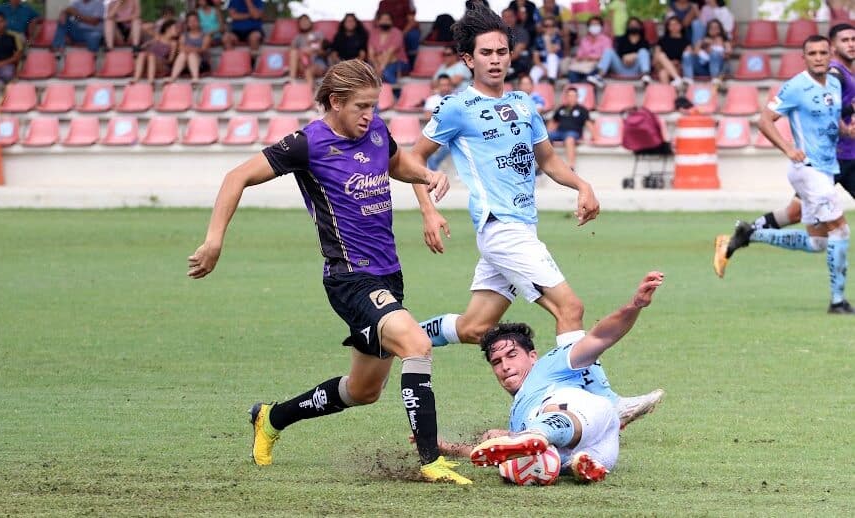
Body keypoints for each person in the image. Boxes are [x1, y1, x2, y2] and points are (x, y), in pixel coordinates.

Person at [186, 59, 471, 485]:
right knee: (416, 344)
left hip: (389, 275)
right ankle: (429, 460)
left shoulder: (374, 131)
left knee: (363, 391)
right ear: (335, 102)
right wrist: (214, 240)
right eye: (360, 106)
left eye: (373, 106)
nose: (369, 116)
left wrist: (428, 176)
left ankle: (271, 417)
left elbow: (397, 164)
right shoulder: (307, 144)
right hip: (349, 279)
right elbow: (236, 176)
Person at [409, 6, 663, 428]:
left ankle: (399, 335)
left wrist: (581, 185)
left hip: (518, 230)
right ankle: (604, 400)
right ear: (468, 59)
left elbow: (547, 159)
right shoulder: (456, 107)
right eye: (486, 52)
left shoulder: (525, 104)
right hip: (501, 229)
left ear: (511, 55)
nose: (495, 59)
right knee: (570, 307)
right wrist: (428, 210)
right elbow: (412, 158)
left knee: (475, 327)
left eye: (502, 51)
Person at [467, 272, 665, 481]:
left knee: (551, 408)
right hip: (601, 451)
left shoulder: (549, 365)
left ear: (533, 356)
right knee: (525, 455)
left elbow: (601, 337)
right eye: (496, 362)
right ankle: (574, 466)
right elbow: (483, 453)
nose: (505, 366)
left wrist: (635, 305)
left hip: (590, 416)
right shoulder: (517, 414)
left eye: (512, 355)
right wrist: (442, 446)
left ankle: (543, 433)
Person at [713, 35, 855, 315]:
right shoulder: (796, 86)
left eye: (822, 52)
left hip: (827, 169)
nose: (818, 57)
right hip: (808, 170)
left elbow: (832, 118)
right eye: (812, 53)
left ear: (829, 56)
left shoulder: (836, 83)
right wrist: (788, 148)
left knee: (819, 242)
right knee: (841, 230)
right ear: (804, 58)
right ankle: (837, 301)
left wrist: (846, 131)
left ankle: (748, 234)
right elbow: (764, 120)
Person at [586, 16, 652, 88]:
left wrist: (634, 55)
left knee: (643, 51)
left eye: (635, 24)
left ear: (640, 26)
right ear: (627, 26)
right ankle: (599, 76)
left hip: (637, 69)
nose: (633, 26)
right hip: (621, 67)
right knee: (609, 51)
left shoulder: (645, 42)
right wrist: (624, 57)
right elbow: (618, 54)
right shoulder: (621, 40)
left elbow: (646, 57)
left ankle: (646, 76)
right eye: (631, 24)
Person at [548, 87, 593, 171]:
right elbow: (553, 122)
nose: (571, 98)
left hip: (573, 133)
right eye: (569, 96)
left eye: (573, 96)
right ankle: (546, 162)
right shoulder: (561, 108)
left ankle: (571, 166)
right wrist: (548, 131)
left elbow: (589, 123)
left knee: (569, 139)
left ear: (577, 97)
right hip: (559, 132)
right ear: (566, 97)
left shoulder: (582, 109)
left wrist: (594, 137)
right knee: (546, 137)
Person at [682, 19, 730, 86]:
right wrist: (702, 43)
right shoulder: (702, 40)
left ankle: (715, 79)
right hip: (702, 67)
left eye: (716, 27)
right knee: (686, 54)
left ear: (720, 29)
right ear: (708, 29)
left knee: (714, 54)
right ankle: (688, 80)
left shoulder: (725, 41)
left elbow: (727, 56)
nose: (713, 29)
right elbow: (695, 53)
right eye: (711, 27)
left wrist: (713, 48)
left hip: (717, 68)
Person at [423, 74, 455, 171]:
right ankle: (434, 169)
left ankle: (433, 168)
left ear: (450, 86)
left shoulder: (456, 99)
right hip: (434, 131)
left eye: (447, 85)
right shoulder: (431, 99)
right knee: (425, 147)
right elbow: (427, 116)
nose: (445, 87)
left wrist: (439, 115)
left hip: (451, 132)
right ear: (438, 86)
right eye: (442, 85)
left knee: (448, 147)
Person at [376, 0, 420, 68]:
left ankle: (411, 64)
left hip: (404, 30)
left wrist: (401, 35)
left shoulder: (406, 2)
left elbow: (411, 22)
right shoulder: (382, 3)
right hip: (387, 31)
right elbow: (378, 19)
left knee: (413, 35)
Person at [368, 12, 410, 85]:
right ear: (378, 21)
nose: (385, 21)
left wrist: (381, 68)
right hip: (377, 61)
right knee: (368, 73)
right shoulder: (373, 33)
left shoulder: (397, 33)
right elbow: (371, 53)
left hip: (398, 61)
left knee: (386, 73)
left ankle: (397, 94)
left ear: (391, 22)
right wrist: (376, 66)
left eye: (387, 19)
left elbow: (390, 53)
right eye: (383, 19)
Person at [567, 16, 611, 84]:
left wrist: (590, 57)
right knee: (572, 75)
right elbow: (579, 55)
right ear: (588, 27)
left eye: (596, 24)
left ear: (601, 27)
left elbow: (606, 56)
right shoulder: (584, 40)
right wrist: (587, 58)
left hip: (596, 66)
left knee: (588, 80)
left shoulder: (606, 40)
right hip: (583, 65)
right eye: (592, 25)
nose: (594, 26)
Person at [131, 20, 178, 84]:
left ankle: (151, 81)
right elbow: (144, 27)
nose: (178, 30)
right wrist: (158, 24)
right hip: (149, 62)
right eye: (175, 28)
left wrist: (159, 59)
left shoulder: (173, 43)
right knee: (142, 54)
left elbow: (170, 60)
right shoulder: (158, 36)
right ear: (168, 28)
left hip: (161, 66)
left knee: (151, 56)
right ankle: (136, 78)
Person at [168, 13, 209, 83]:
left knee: (191, 55)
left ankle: (195, 78)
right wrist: (193, 49)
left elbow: (203, 49)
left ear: (199, 22)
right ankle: (173, 78)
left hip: (201, 64)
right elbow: (180, 49)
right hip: (185, 65)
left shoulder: (205, 36)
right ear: (187, 24)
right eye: (190, 21)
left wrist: (189, 49)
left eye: (194, 21)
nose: (192, 23)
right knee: (182, 54)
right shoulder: (183, 35)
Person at [288, 14, 328, 85]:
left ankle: (310, 90)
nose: (304, 23)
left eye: (306, 20)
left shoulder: (318, 34)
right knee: (294, 52)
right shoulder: (298, 37)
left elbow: (323, 52)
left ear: (310, 22)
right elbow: (292, 52)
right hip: (303, 63)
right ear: (299, 25)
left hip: (317, 63)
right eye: (302, 22)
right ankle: (292, 79)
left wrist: (312, 51)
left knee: (308, 70)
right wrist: (302, 51)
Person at [654, 16, 689, 88]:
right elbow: (655, 60)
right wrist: (669, 63)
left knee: (663, 73)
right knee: (661, 56)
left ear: (681, 26)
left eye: (676, 24)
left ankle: (675, 82)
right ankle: (677, 79)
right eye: (671, 25)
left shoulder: (686, 42)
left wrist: (677, 63)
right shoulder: (662, 41)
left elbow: (688, 60)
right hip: (662, 66)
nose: (674, 27)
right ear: (668, 27)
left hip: (678, 67)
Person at [529, 16, 563, 84]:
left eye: (552, 25)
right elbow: (536, 58)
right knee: (533, 74)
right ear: (542, 27)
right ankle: (534, 93)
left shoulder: (557, 38)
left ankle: (551, 82)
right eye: (546, 26)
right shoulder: (538, 39)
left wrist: (547, 38)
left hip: (556, 64)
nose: (549, 28)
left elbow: (551, 51)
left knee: (551, 57)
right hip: (543, 64)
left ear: (555, 27)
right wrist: (544, 69)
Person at [501, 7, 532, 81]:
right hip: (502, 62)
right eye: (505, 17)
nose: (508, 19)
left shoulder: (522, 32)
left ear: (515, 18)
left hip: (516, 62)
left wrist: (501, 63)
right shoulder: (497, 33)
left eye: (510, 16)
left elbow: (516, 53)